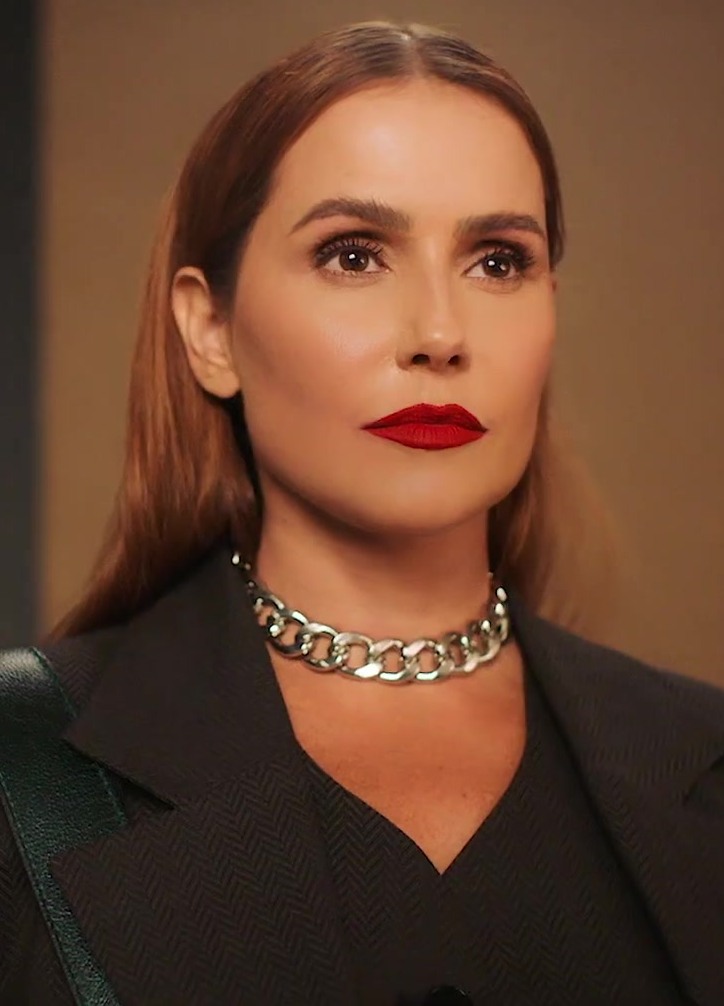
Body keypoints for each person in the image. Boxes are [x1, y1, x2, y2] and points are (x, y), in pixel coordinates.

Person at [1, 19, 722, 1006]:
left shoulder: (701, 762)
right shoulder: (25, 769)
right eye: (352, 255)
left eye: (497, 261)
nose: (439, 333)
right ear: (210, 329)